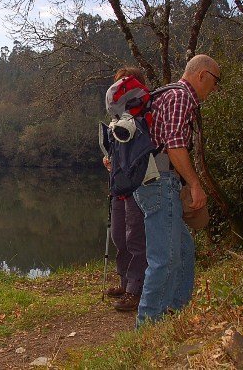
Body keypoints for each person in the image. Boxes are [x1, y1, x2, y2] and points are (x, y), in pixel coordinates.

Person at [133, 54, 221, 326]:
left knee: (183, 249)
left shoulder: (167, 94)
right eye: (216, 81)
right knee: (165, 259)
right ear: (202, 75)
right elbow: (174, 146)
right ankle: (148, 328)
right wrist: (195, 184)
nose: (215, 88)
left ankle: (175, 314)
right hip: (160, 181)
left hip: (153, 181)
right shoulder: (181, 96)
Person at [103, 67, 148, 312]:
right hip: (119, 187)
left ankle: (135, 290)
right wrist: (109, 160)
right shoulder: (117, 120)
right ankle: (124, 281)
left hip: (136, 187)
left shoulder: (143, 116)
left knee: (135, 239)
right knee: (119, 236)